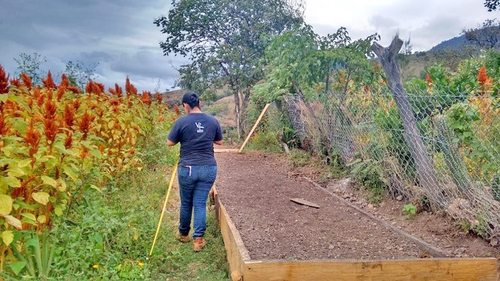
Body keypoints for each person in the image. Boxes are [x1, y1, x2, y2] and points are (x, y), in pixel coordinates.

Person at [167, 91, 223, 251]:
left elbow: (170, 142)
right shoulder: (212, 120)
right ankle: (198, 240)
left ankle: (184, 234)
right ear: (200, 103)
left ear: (185, 105)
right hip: (208, 168)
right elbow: (219, 141)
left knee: (186, 203)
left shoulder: (182, 122)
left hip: (188, 168)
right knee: (199, 203)